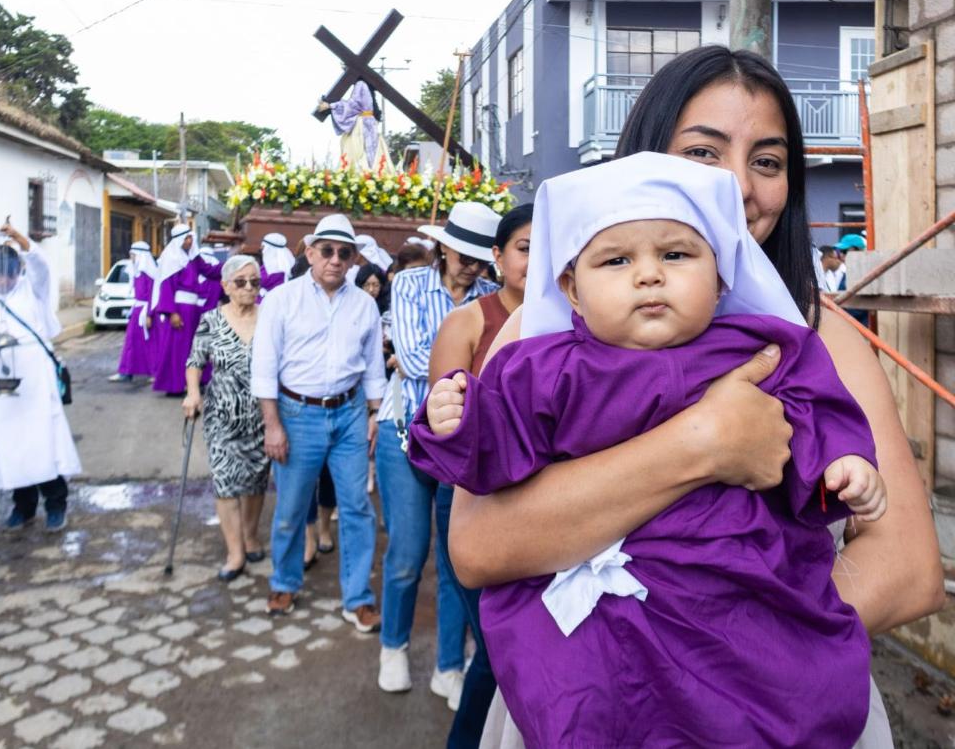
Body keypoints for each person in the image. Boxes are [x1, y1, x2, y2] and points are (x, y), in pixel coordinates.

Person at [443, 45, 944, 748]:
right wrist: (703, 442)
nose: (739, 185)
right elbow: (478, 547)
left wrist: (737, 659)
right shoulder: (541, 333)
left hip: (780, 710)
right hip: (591, 695)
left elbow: (912, 572)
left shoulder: (819, 336)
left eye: (767, 161)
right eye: (704, 154)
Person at [373, 201, 501, 705]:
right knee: (406, 554)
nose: (468, 265)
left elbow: (489, 366)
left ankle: (450, 664)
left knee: (457, 561)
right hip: (404, 432)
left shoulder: (492, 294)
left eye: (477, 256)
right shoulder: (406, 284)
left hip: (463, 447)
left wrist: (455, 367)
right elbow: (409, 358)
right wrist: (467, 366)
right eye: (461, 253)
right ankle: (393, 646)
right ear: (443, 246)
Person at [425, 202, 531, 747]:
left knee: (527, 644)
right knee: (495, 646)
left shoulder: (574, 319)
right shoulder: (468, 320)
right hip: (474, 499)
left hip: (541, 509)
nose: (536, 263)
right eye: (524, 250)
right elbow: (449, 430)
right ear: (497, 255)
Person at [251, 213, 385, 628]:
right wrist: (272, 425)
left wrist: (376, 414)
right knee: (291, 507)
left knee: (358, 508)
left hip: (347, 414)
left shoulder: (364, 305)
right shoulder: (281, 299)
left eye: (344, 252)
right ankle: (285, 583)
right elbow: (264, 366)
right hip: (296, 415)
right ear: (309, 253)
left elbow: (373, 367)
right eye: (326, 250)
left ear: (352, 259)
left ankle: (357, 597)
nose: (335, 259)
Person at [0, 221, 80, 532]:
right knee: (10, 445)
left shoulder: (32, 290)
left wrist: (20, 239)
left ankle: (55, 504)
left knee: (42, 441)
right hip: (0, 381)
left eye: (9, 274)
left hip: (35, 375)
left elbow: (40, 265)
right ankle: (22, 506)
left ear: (17, 271)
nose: (4, 281)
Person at [183, 254, 269, 580]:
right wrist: (193, 393)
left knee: (256, 480)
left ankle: (250, 534)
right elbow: (195, 361)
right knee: (227, 483)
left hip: (261, 416)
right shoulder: (211, 320)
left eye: (255, 282)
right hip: (222, 415)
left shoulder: (269, 317)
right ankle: (235, 552)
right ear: (226, 286)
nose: (250, 288)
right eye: (241, 282)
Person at [151, 224, 221, 396]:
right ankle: (174, 386)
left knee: (195, 346)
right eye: (186, 238)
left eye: (191, 238)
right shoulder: (171, 260)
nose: (190, 241)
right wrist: (172, 313)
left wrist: (230, 266)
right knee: (177, 348)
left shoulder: (194, 259)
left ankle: (199, 381)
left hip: (194, 310)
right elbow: (166, 288)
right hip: (179, 309)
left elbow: (210, 271)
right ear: (179, 240)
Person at [110, 241, 160, 383]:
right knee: (132, 342)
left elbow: (153, 295)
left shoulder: (149, 273)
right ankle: (126, 371)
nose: (131, 257)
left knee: (150, 343)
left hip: (146, 311)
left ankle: (155, 372)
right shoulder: (137, 272)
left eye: (133, 254)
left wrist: (150, 314)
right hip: (137, 310)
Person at [317, 80, 394, 171]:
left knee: (356, 152)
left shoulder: (360, 84)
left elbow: (353, 105)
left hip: (361, 126)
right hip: (370, 124)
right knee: (372, 154)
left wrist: (330, 105)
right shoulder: (367, 87)